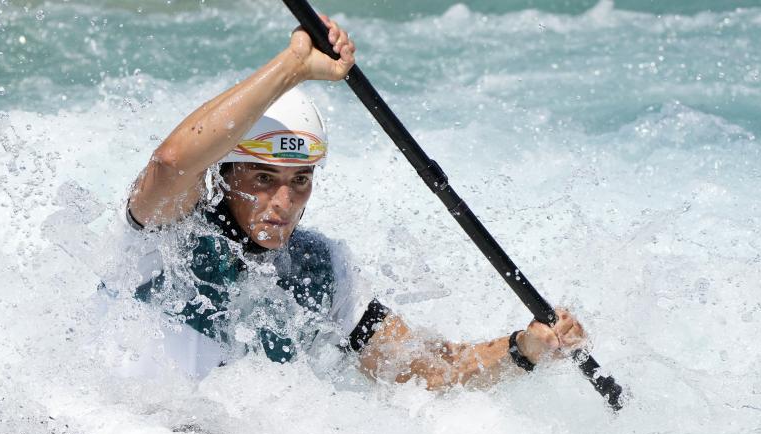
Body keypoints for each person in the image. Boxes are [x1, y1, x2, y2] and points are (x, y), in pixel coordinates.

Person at [124, 15, 588, 391]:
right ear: (225, 175)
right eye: (264, 178)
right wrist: (294, 65)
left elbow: (428, 369)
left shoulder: (321, 269)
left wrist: (523, 348)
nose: (283, 201)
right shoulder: (167, 231)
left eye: (300, 181)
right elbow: (170, 163)